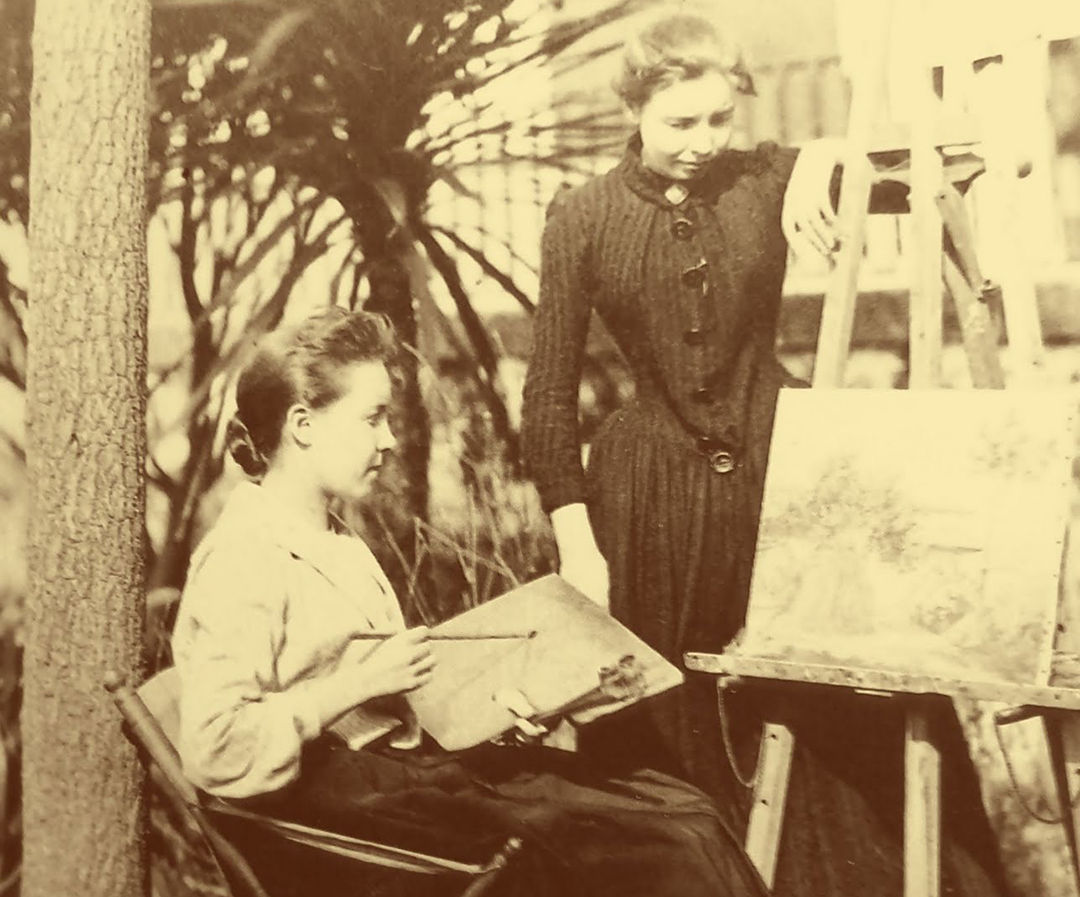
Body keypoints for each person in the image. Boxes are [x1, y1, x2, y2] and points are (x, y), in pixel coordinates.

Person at [520, 11, 1012, 897]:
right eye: (680, 124)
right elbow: (547, 398)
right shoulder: (582, 219)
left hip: (784, 484)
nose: (704, 143)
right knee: (678, 736)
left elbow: (930, 173)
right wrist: (577, 542)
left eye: (719, 119)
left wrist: (825, 155)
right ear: (635, 108)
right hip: (650, 512)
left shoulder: (765, 178)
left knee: (843, 700)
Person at [171, 306, 771, 897]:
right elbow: (217, 748)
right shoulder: (244, 556)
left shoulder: (332, 536)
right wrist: (356, 686)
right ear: (303, 424)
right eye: (373, 418)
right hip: (350, 832)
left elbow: (394, 708)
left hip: (398, 786)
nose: (388, 439)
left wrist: (509, 707)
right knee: (662, 840)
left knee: (681, 808)